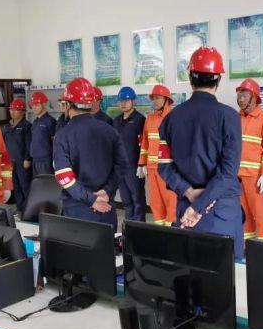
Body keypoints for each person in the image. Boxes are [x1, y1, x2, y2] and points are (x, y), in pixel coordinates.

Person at [158, 47, 244, 258]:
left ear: (190, 78)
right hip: (221, 212)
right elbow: (228, 173)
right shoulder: (229, 117)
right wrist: (199, 205)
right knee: (226, 273)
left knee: (190, 270)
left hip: (186, 211)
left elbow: (164, 166)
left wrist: (188, 192)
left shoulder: (171, 118)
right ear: (218, 79)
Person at [53, 78, 127, 231]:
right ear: (91, 103)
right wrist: (106, 191)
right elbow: (122, 165)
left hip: (77, 212)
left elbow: (64, 177)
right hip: (106, 208)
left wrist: (92, 200)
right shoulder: (110, 131)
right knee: (108, 246)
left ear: (68, 104)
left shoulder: (62, 135)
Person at [235, 78, 263, 243]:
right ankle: (246, 248)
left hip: (256, 177)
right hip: (237, 176)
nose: (240, 99)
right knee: (243, 214)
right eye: (239, 95)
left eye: (244, 95)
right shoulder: (235, 118)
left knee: (260, 214)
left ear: (254, 97)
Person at [139, 85, 177, 226]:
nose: (154, 101)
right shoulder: (150, 118)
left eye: (157, 98)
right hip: (151, 169)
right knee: (155, 203)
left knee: (171, 201)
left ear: (166, 99)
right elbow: (145, 142)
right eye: (153, 98)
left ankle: (171, 231)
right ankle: (160, 230)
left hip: (167, 169)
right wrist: (142, 163)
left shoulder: (173, 117)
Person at [113, 86, 147, 222]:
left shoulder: (140, 120)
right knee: (126, 201)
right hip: (120, 168)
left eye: (126, 101)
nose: (123, 103)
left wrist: (142, 164)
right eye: (121, 101)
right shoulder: (116, 121)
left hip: (134, 167)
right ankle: (129, 227)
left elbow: (144, 143)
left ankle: (139, 228)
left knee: (138, 200)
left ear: (133, 101)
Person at [2, 98, 32, 212]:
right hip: (11, 162)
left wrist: (27, 159)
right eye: (11, 110)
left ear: (23, 112)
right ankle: (20, 209)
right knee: (15, 186)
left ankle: (28, 210)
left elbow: (29, 144)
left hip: (22, 162)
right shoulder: (6, 127)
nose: (12, 112)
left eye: (15, 110)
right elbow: (3, 144)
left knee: (25, 186)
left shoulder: (27, 126)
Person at [29, 91, 56, 176]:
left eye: (37, 105)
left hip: (45, 161)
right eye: (32, 105)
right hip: (35, 159)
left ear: (44, 104)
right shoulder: (35, 122)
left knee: (46, 182)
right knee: (37, 183)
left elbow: (55, 143)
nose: (34, 107)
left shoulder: (51, 121)